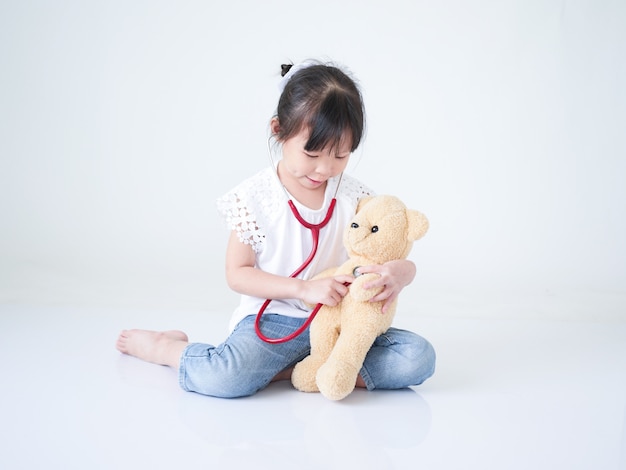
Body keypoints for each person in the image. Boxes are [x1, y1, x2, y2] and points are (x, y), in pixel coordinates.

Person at [116, 59, 436, 398]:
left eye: (340, 156)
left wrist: (403, 273)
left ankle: (299, 369)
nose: (325, 168)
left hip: (340, 323)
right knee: (223, 379)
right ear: (278, 130)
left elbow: (388, 247)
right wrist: (303, 290)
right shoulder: (254, 198)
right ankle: (168, 349)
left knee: (417, 358)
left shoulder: (355, 196)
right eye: (312, 153)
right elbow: (237, 274)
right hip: (274, 321)